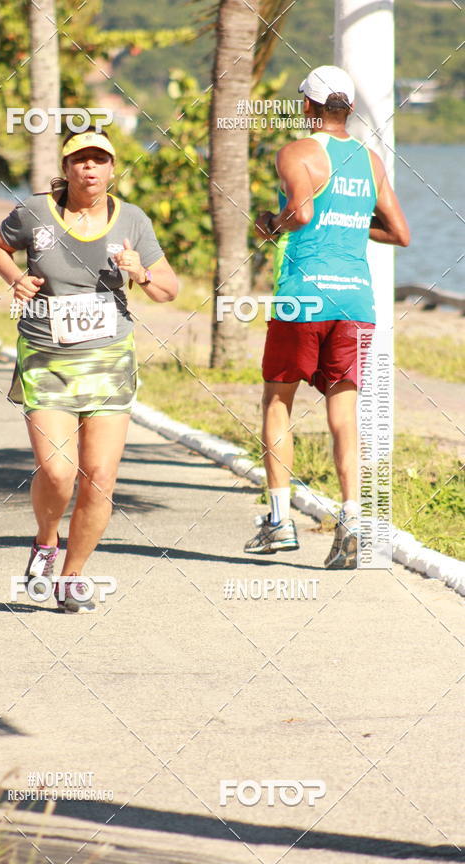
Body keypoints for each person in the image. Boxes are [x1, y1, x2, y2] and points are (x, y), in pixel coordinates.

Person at [0, 128, 178, 612]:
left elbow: (168, 290)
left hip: (110, 361)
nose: (89, 169)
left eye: (99, 160)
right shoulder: (34, 212)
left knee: (100, 477)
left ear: (113, 169)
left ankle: (72, 578)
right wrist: (16, 279)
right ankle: (46, 542)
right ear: (66, 168)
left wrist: (142, 273)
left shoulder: (131, 219)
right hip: (47, 358)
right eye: (80, 160)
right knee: (57, 471)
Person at [244, 66, 409, 569]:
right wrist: (357, 225)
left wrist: (272, 223)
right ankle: (353, 524)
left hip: (303, 296)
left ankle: (278, 521)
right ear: (349, 110)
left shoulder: (296, 152)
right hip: (356, 301)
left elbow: (303, 213)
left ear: (309, 107)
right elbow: (399, 233)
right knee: (344, 413)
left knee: (277, 399)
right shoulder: (371, 160)